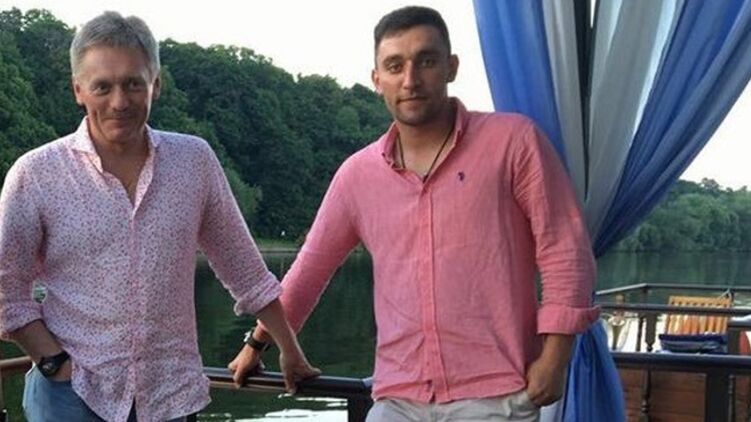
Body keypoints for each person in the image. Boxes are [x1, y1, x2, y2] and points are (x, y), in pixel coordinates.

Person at [232, 5, 599, 421]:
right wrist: (258, 343)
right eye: (395, 66)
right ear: (377, 79)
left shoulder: (513, 143)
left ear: (451, 67)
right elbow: (310, 270)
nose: (410, 80)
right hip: (399, 395)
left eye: (426, 61)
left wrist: (555, 358)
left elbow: (565, 251)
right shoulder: (357, 176)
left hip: (496, 394)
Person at [0, 11, 319, 422]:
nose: (119, 102)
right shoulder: (36, 174)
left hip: (168, 397)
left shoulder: (194, 162)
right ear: (78, 89)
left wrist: (289, 350)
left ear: (156, 83)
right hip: (71, 396)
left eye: (133, 83)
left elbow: (245, 270)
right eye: (103, 86)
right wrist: (52, 362)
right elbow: (6, 290)